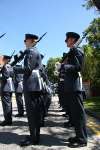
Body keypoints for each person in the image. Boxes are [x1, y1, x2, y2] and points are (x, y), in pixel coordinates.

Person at [14, 34, 42, 146]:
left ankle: (34, 138)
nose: (24, 42)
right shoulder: (33, 51)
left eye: (25, 40)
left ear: (31, 41)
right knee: (33, 113)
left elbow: (27, 69)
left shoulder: (31, 52)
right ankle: (34, 135)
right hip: (32, 85)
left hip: (31, 86)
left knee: (32, 113)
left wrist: (14, 68)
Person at [63, 32, 87, 148]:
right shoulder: (73, 50)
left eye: (67, 39)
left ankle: (82, 139)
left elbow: (79, 67)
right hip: (71, 87)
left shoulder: (77, 50)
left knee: (79, 114)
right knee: (75, 114)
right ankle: (78, 136)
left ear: (72, 39)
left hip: (75, 87)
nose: (65, 41)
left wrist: (64, 66)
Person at [0, 55, 14, 126]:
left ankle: (7, 120)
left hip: (5, 87)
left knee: (6, 105)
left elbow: (5, 76)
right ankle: (9, 119)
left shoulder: (4, 66)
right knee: (9, 104)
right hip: (10, 87)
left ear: (5, 60)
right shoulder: (10, 67)